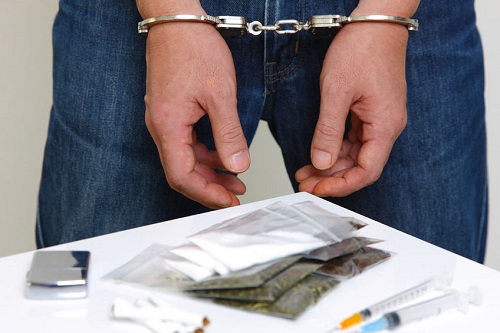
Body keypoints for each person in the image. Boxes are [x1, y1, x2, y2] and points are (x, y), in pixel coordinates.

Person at [37, 0, 488, 263]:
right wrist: (168, 12)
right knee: (90, 294)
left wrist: (387, 15)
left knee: (429, 295)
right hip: (135, 12)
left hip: (406, 13)